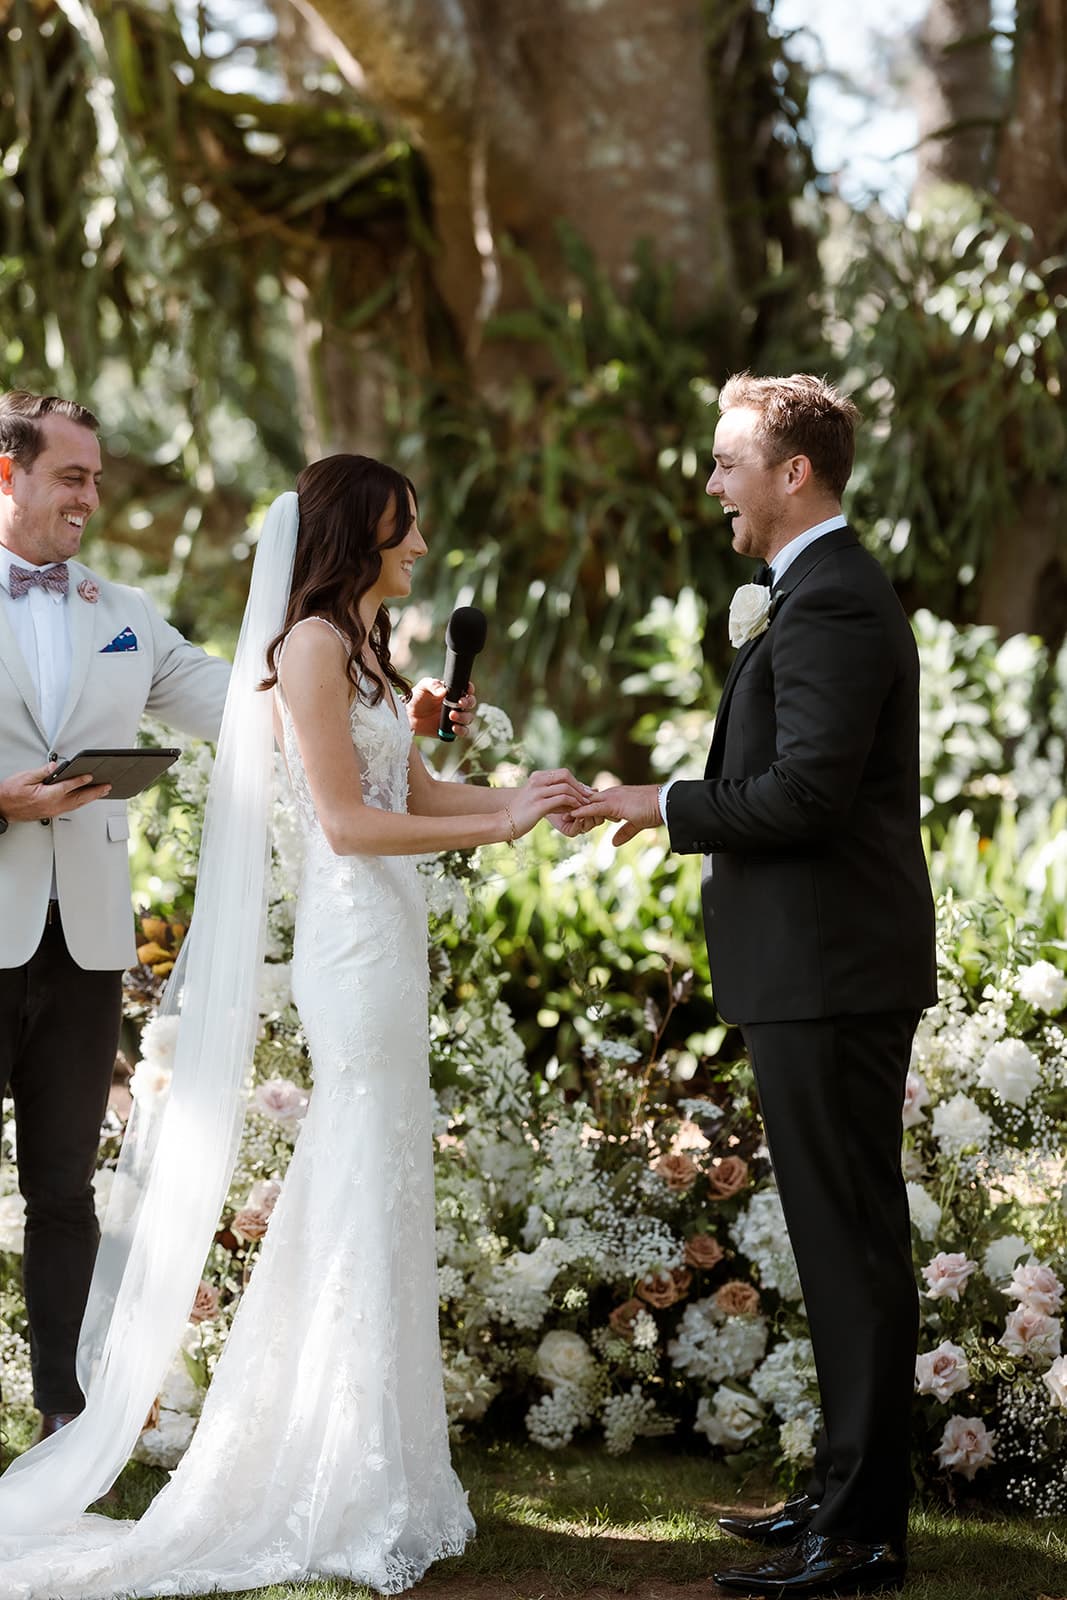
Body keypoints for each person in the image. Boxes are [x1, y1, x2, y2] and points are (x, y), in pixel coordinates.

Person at [0, 453, 586, 1597]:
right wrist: (504, 826)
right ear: (354, 536)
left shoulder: (362, 648)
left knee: (375, 1178)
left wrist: (529, 795)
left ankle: (380, 1463)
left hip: (389, 932)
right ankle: (326, 1469)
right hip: (351, 938)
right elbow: (347, 822)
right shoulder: (310, 648)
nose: (417, 548)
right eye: (401, 530)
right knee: (357, 1170)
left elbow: (414, 794)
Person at [0, 393, 478, 1447]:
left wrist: (385, 721)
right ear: (10, 475)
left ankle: (63, 1416)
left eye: (94, 476)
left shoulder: (120, 610)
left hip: (81, 937)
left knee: (65, 1187)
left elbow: (254, 704)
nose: (90, 495)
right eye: (71, 476)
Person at [572, 374, 936, 1599]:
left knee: (850, 1244)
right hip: (815, 969)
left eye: (729, 460)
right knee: (839, 1242)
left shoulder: (830, 599)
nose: (712, 481)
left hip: (830, 972)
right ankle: (840, 1500)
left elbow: (804, 797)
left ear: (793, 473)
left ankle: (864, 1534)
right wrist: (669, 796)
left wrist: (658, 801)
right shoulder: (815, 592)